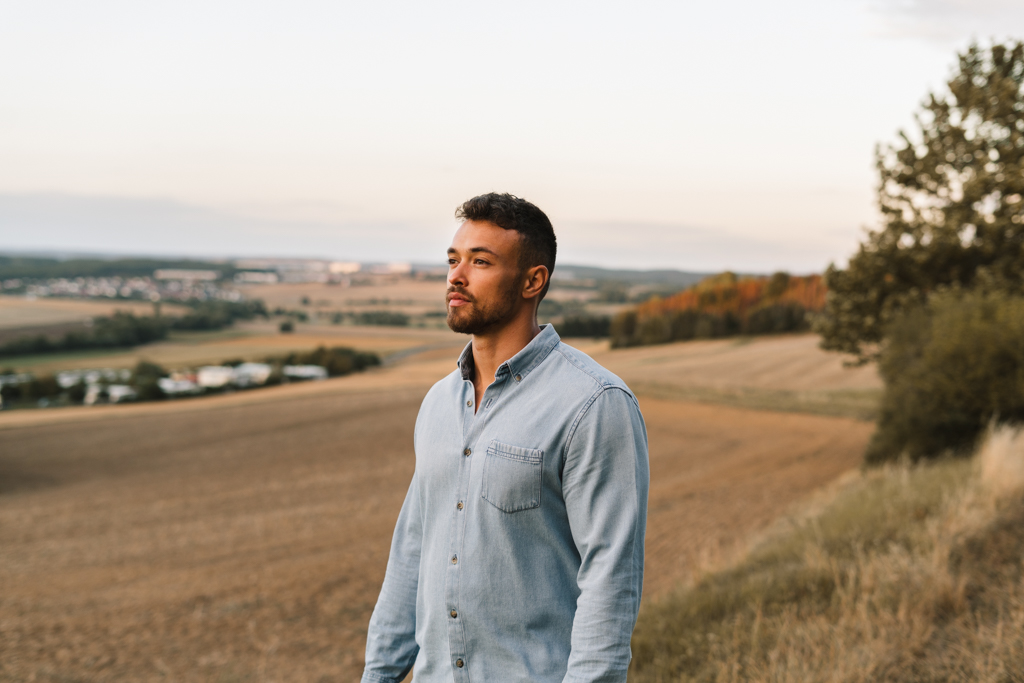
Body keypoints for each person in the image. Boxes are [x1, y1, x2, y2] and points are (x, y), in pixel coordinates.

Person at [362, 193, 649, 683]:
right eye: (453, 260)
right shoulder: (437, 403)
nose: (457, 275)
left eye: (480, 261)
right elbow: (412, 553)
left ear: (532, 281)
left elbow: (610, 581)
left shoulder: (593, 403)